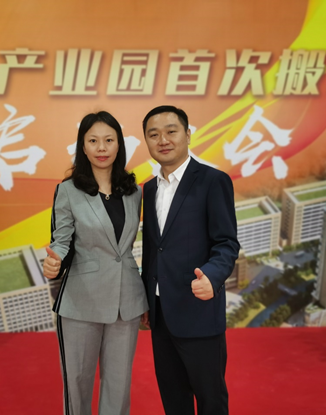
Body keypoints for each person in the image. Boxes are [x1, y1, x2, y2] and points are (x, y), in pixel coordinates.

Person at [43, 111, 148, 415]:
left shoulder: (135, 192)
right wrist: (55, 262)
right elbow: (61, 240)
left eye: (109, 140)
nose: (102, 148)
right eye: (93, 141)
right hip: (81, 300)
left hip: (126, 301)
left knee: (119, 384)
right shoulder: (68, 190)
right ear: (83, 146)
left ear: (119, 145)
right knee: (77, 382)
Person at [140, 105, 240, 415]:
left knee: (211, 400)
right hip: (160, 314)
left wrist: (212, 275)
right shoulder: (148, 189)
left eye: (171, 131)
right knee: (173, 400)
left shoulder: (212, 180)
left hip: (198, 309)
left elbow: (226, 242)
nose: (163, 140)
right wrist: (145, 300)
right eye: (154, 135)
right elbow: (152, 250)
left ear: (187, 134)